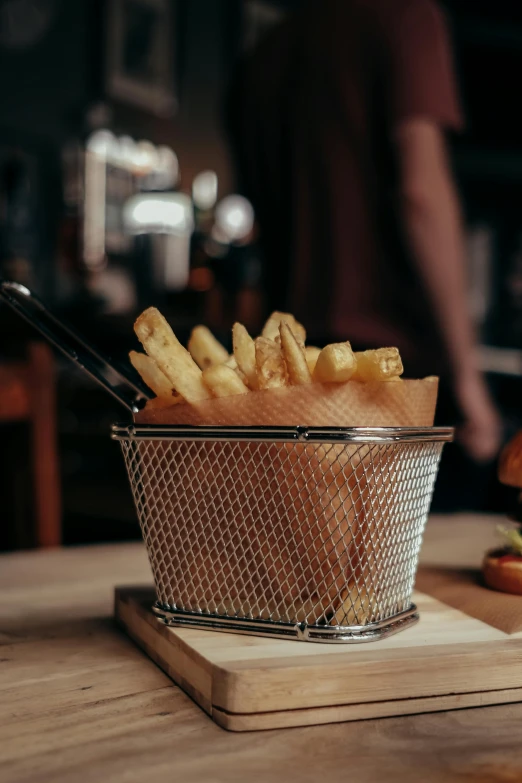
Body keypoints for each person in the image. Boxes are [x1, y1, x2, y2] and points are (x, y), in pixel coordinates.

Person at [226, 0, 501, 464]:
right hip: (392, 381)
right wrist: (468, 376)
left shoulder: (261, 55)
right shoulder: (407, 16)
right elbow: (422, 194)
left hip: (282, 377)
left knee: (301, 535)